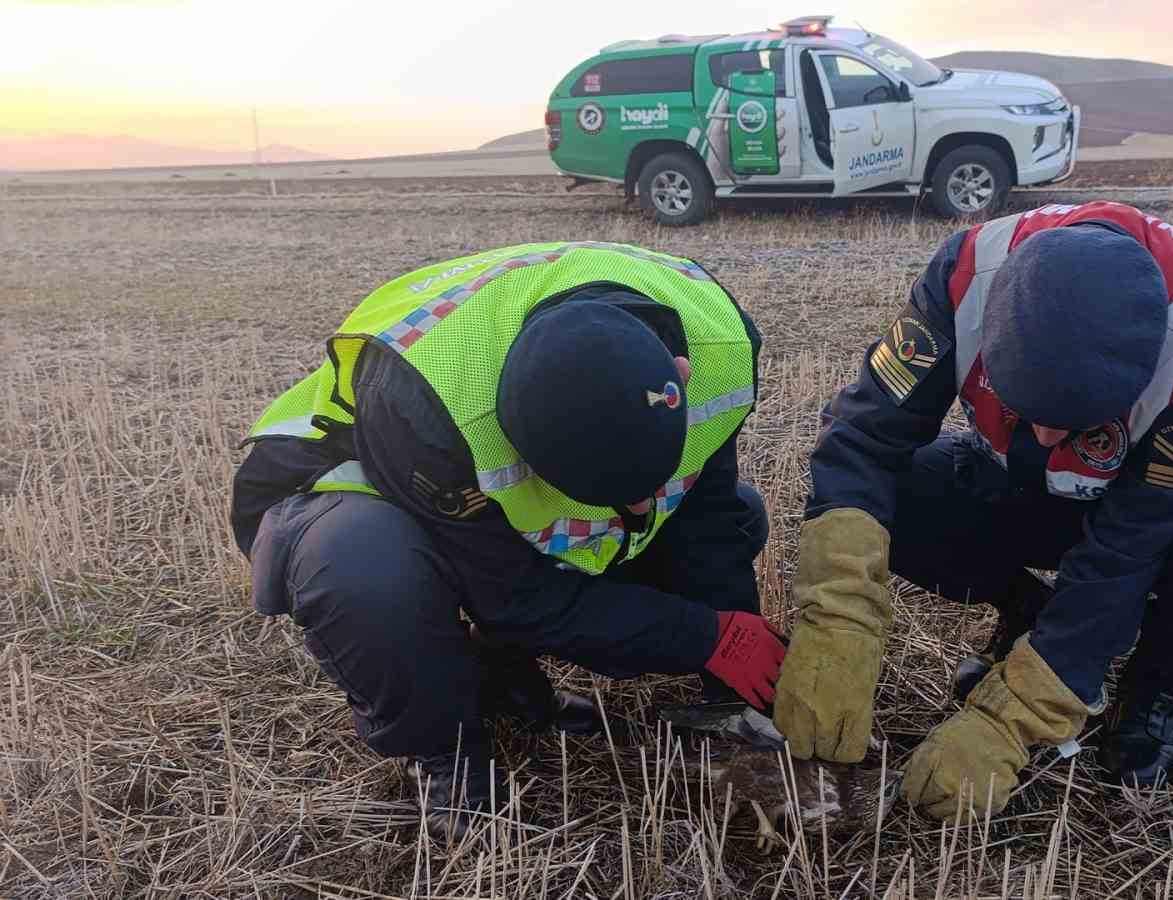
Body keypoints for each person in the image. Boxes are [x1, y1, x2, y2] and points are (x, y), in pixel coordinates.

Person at [773, 201, 1173, 821]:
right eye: (1024, 406)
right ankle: (1025, 614)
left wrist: (1017, 717)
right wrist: (839, 617)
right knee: (902, 491)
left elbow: (1129, 549)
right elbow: (864, 439)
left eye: (1072, 421)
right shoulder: (967, 275)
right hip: (1033, 485)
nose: (1047, 432)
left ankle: (1155, 683)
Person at [230, 241, 786, 841]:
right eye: (624, 493)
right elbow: (518, 596)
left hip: (471, 497)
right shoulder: (434, 401)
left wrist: (732, 661)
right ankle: (447, 752)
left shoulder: (716, 338)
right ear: (512, 433)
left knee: (741, 514)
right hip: (342, 492)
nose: (647, 507)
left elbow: (704, 518)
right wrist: (699, 636)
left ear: (678, 378)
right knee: (366, 569)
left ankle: (502, 678)